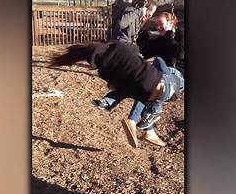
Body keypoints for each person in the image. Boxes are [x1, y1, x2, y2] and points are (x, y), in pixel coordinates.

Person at [50, 41, 184, 148]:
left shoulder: (103, 70)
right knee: (168, 84)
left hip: (143, 88)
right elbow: (137, 51)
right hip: (159, 85)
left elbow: (115, 85)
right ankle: (147, 118)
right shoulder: (119, 47)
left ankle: (143, 121)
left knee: (139, 92)